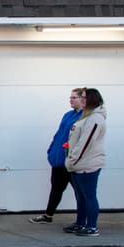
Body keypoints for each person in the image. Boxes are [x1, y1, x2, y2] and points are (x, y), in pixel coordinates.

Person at [30, 88, 86, 223]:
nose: (70, 100)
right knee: (56, 188)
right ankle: (48, 215)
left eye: (74, 97)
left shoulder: (85, 118)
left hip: (72, 162)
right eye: (70, 97)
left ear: (83, 100)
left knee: (81, 192)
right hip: (59, 159)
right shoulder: (68, 115)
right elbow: (59, 134)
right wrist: (51, 150)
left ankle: (83, 220)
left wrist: (73, 158)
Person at [64, 87, 107, 237]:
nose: (80, 99)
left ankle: (92, 226)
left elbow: (85, 142)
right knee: (80, 196)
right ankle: (81, 222)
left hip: (87, 164)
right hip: (78, 163)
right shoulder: (86, 116)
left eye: (83, 97)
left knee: (89, 195)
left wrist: (73, 159)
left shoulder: (95, 119)